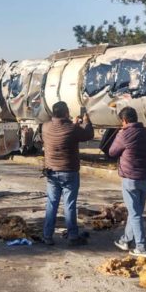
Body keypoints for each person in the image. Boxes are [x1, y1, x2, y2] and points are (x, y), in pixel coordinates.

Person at [109, 106, 146, 257]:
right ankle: (125, 240)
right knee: (135, 212)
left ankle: (141, 247)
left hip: (130, 179)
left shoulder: (124, 134)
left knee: (135, 214)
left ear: (124, 121)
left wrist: (119, 135)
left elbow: (112, 152)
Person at [42, 101, 94, 246]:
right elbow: (88, 134)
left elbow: (62, 130)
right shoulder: (72, 129)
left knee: (52, 203)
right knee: (69, 204)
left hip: (52, 172)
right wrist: (85, 122)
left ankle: (47, 235)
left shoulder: (45, 127)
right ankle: (72, 235)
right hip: (69, 172)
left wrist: (74, 124)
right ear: (66, 113)